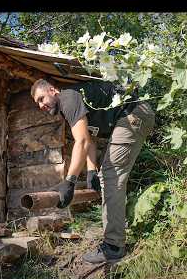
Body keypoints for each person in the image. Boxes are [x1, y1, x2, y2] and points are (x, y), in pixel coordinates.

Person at [30, 77, 155, 264]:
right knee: (107, 176)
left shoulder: (68, 98)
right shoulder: (69, 104)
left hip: (133, 114)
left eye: (41, 98)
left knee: (111, 176)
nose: (41, 105)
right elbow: (90, 139)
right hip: (133, 116)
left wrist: (69, 182)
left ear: (53, 90)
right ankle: (117, 232)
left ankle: (114, 246)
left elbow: (81, 142)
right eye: (37, 103)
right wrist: (91, 171)